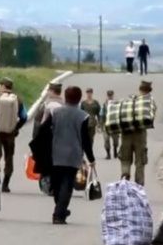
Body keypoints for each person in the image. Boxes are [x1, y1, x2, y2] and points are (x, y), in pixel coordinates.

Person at [38, 87, 95, 224]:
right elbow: (85, 140)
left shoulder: (56, 112)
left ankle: (60, 210)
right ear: (79, 98)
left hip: (55, 153)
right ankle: (59, 213)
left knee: (57, 184)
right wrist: (91, 159)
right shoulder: (83, 116)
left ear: (66, 96)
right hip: (73, 155)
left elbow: (43, 129)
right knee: (67, 184)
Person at [0, 77, 26, 193]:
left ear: (3, 86)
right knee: (9, 158)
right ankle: (5, 185)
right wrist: (16, 127)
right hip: (10, 134)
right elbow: (24, 116)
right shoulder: (17, 100)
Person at [120, 81, 156, 186]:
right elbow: (150, 119)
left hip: (126, 134)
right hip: (140, 135)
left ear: (140, 89)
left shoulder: (130, 100)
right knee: (140, 162)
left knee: (125, 159)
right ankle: (138, 186)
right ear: (149, 90)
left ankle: (124, 180)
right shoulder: (149, 102)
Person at [80, 88, 101, 152]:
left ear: (92, 93)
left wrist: (99, 123)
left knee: (91, 138)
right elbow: (80, 113)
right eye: (88, 93)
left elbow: (98, 113)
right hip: (85, 122)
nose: (89, 94)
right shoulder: (83, 103)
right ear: (86, 93)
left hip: (92, 123)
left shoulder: (96, 102)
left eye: (90, 93)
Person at [100, 90, 120, 159]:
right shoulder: (104, 104)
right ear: (107, 96)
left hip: (114, 125)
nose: (110, 96)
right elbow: (101, 114)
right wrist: (101, 125)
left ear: (113, 95)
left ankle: (115, 151)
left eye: (111, 95)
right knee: (106, 140)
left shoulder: (116, 104)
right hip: (106, 124)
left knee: (116, 141)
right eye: (109, 95)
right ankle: (108, 154)